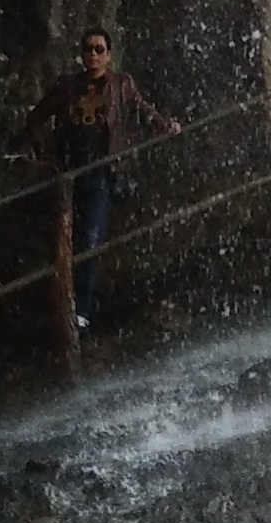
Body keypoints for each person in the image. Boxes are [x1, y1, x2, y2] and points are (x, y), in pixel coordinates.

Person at [37, 25, 178, 330]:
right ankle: (64, 309)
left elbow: (142, 110)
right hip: (69, 173)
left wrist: (166, 126)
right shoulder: (67, 86)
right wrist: (46, 156)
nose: (93, 55)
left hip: (103, 172)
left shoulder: (121, 85)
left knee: (90, 241)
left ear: (109, 55)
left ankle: (81, 312)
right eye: (88, 48)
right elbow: (36, 118)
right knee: (66, 243)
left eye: (99, 49)